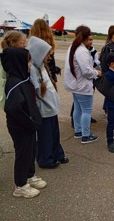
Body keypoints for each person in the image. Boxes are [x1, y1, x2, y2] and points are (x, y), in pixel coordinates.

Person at [1, 39, 46, 198]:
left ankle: (30, 175)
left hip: (29, 125)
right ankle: (20, 185)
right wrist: (30, 122)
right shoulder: (14, 82)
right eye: (26, 62)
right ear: (18, 63)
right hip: (21, 126)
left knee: (31, 150)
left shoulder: (24, 79)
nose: (29, 65)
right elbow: (12, 108)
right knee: (23, 153)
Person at [28, 36, 68, 168]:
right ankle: (46, 159)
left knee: (54, 134)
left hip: (51, 109)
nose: (49, 58)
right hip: (44, 110)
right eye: (46, 54)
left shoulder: (42, 67)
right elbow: (37, 90)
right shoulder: (33, 69)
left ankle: (57, 154)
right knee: (46, 136)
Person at [64, 25, 102, 144]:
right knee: (86, 111)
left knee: (78, 109)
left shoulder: (73, 47)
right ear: (85, 38)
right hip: (82, 85)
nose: (91, 41)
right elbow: (86, 71)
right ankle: (85, 135)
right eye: (90, 39)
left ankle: (78, 131)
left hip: (75, 85)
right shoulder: (82, 51)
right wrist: (97, 73)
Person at [0, 31, 27, 109]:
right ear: (12, 43)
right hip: (11, 96)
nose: (25, 46)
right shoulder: (9, 59)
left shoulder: (8, 56)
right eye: (22, 43)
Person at [29, 19, 61, 83]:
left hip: (37, 78)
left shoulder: (32, 45)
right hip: (48, 79)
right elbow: (50, 65)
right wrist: (55, 69)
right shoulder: (48, 45)